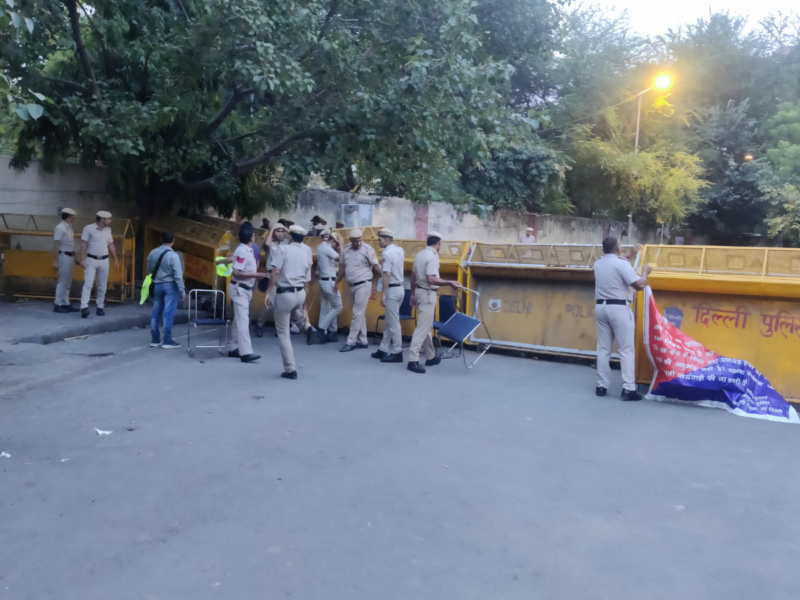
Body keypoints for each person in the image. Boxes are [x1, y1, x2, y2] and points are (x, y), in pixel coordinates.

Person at [593, 237, 650, 401]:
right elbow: (639, 285)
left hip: (601, 307)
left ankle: (601, 386)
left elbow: (613, 262)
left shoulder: (598, 264)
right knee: (626, 349)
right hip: (619, 308)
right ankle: (628, 388)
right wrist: (645, 272)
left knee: (603, 348)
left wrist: (631, 255)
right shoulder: (621, 264)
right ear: (618, 248)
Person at [407, 231, 462, 374]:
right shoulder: (432, 257)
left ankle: (430, 356)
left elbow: (413, 276)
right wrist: (450, 282)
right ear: (439, 243)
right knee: (422, 328)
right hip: (427, 293)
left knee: (426, 325)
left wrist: (412, 294)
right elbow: (431, 279)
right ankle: (413, 360)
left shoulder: (420, 255)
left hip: (419, 291)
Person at [265, 225, 313, 379]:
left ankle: (290, 369)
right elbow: (307, 284)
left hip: (285, 294)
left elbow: (276, 271)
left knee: (283, 333)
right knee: (292, 311)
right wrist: (305, 307)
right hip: (300, 294)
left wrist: (268, 291)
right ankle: (306, 327)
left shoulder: (283, 249)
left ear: (290, 236)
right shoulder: (306, 254)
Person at [227, 222, 267, 363]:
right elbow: (237, 272)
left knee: (238, 319)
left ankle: (232, 347)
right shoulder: (242, 251)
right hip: (240, 289)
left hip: (245, 289)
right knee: (243, 320)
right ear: (251, 237)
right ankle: (246, 352)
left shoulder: (247, 250)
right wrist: (257, 275)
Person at [335, 229, 381, 351]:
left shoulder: (367, 249)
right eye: (356, 241)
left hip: (363, 284)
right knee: (359, 313)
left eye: (360, 240)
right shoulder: (346, 249)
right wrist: (336, 282)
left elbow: (376, 266)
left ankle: (351, 342)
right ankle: (363, 340)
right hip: (351, 285)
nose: (359, 243)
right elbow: (342, 268)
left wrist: (388, 278)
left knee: (357, 313)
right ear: (351, 240)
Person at [147, 229, 186, 349]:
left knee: (156, 312)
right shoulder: (174, 256)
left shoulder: (153, 253)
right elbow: (178, 275)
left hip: (157, 285)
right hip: (170, 286)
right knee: (168, 314)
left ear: (161, 239)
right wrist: (182, 291)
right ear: (173, 240)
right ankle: (167, 341)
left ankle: (155, 340)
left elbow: (149, 269)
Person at [372, 229, 405, 363]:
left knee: (393, 323)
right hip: (400, 288)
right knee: (389, 321)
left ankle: (397, 352)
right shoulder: (399, 250)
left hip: (392, 290)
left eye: (380, 239)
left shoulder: (386, 253)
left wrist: (383, 294)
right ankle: (383, 349)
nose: (378, 242)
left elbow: (386, 274)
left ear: (386, 240)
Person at [79, 211, 119, 318]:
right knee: (88, 284)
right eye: (108, 219)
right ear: (102, 219)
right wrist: (82, 259)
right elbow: (84, 244)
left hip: (104, 260)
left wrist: (115, 259)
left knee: (102, 285)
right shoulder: (89, 228)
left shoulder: (108, 230)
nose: (110, 221)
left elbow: (111, 244)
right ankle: (84, 307)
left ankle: (100, 306)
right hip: (91, 259)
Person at [256, 222, 287, 337]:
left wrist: (285, 228)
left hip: (283, 276)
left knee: (282, 304)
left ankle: (279, 329)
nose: (280, 233)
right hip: (272, 275)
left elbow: (296, 237)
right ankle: (260, 324)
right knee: (270, 304)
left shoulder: (285, 242)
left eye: (281, 231)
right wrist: (272, 228)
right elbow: (266, 243)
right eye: (277, 231)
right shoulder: (271, 243)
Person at [314, 229, 343, 343]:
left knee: (325, 309)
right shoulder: (326, 247)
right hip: (329, 281)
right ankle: (321, 329)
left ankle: (322, 334)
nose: (337, 247)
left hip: (325, 280)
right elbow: (342, 259)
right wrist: (341, 245)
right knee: (338, 306)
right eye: (337, 244)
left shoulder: (322, 247)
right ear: (333, 241)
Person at [53, 208, 79, 313]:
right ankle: (58, 303)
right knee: (63, 281)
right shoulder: (60, 228)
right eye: (73, 216)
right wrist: (55, 261)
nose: (74, 218)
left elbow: (71, 244)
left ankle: (65, 302)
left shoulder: (68, 227)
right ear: (69, 216)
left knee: (68, 281)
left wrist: (75, 257)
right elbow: (56, 244)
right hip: (64, 256)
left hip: (69, 256)